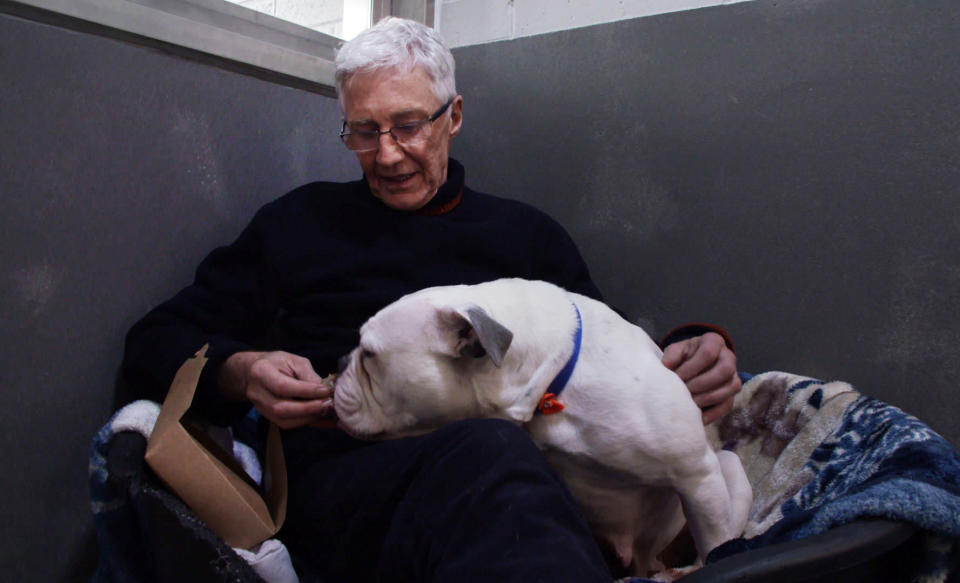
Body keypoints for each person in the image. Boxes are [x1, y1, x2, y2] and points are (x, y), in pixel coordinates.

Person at [122, 16, 740, 582]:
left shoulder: (524, 238)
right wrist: (240, 371)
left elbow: (605, 353)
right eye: (363, 131)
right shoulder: (298, 225)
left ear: (455, 116)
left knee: (503, 459)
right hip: (349, 482)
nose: (387, 154)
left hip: (520, 490)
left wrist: (690, 348)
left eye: (409, 125)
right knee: (492, 451)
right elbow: (153, 344)